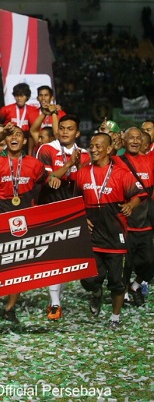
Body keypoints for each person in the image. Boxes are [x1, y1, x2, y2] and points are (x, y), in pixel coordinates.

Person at [0, 128, 48, 322]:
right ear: (5, 140)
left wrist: (61, 172)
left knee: (18, 266)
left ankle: (10, 308)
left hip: (23, 221)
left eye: (18, 135)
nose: (14, 137)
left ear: (24, 141)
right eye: (10, 135)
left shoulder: (35, 164)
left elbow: (46, 182)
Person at [75, 133, 143, 328]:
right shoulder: (83, 173)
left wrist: (130, 205)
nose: (93, 149)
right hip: (92, 236)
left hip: (115, 236)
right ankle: (96, 293)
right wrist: (82, 217)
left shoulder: (121, 173)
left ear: (108, 149)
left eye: (98, 146)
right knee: (88, 280)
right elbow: (76, 201)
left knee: (116, 282)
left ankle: (115, 317)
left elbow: (139, 194)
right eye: (92, 146)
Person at [35, 115, 91, 319]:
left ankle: (55, 299)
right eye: (62, 128)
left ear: (77, 133)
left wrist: (79, 166)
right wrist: (67, 166)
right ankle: (56, 303)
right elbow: (46, 177)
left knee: (65, 259)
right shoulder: (46, 149)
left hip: (73, 210)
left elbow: (85, 183)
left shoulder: (85, 155)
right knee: (53, 256)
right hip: (49, 208)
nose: (65, 132)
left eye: (70, 129)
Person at [114, 128, 154, 307]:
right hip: (124, 223)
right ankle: (122, 293)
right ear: (124, 141)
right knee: (126, 264)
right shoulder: (116, 160)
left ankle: (135, 286)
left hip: (145, 222)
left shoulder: (149, 160)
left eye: (138, 138)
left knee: (149, 264)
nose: (135, 141)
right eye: (131, 138)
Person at [0, 83, 40, 155]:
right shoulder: (6, 109)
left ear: (27, 96)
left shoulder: (33, 110)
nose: (19, 98)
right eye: (17, 96)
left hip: (26, 145)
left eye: (22, 96)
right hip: (9, 143)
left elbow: (35, 131)